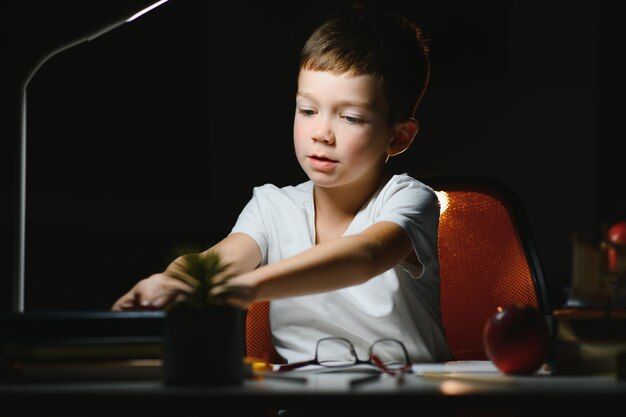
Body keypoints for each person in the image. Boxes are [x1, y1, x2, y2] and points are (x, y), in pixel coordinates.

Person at [112, 2, 453, 364]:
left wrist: (247, 286)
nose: (321, 133)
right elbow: (217, 261)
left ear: (398, 137)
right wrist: (170, 282)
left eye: (351, 117)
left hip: (406, 398)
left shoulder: (409, 198)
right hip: (301, 398)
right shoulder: (272, 206)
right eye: (307, 110)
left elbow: (365, 255)